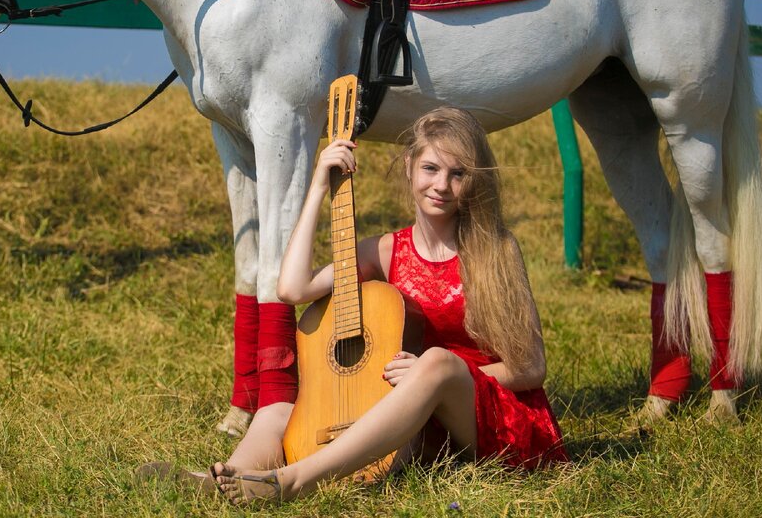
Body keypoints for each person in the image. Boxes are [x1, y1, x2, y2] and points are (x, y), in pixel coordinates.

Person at [211, 106, 568, 504]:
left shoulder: (496, 249)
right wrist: (318, 188)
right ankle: (227, 477)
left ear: (473, 181)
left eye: (458, 173)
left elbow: (532, 367)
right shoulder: (386, 251)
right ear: (410, 168)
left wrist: (434, 375)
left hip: (493, 419)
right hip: (414, 418)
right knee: (277, 410)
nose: (442, 185)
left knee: (437, 361)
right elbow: (293, 289)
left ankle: (295, 480)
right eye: (431, 168)